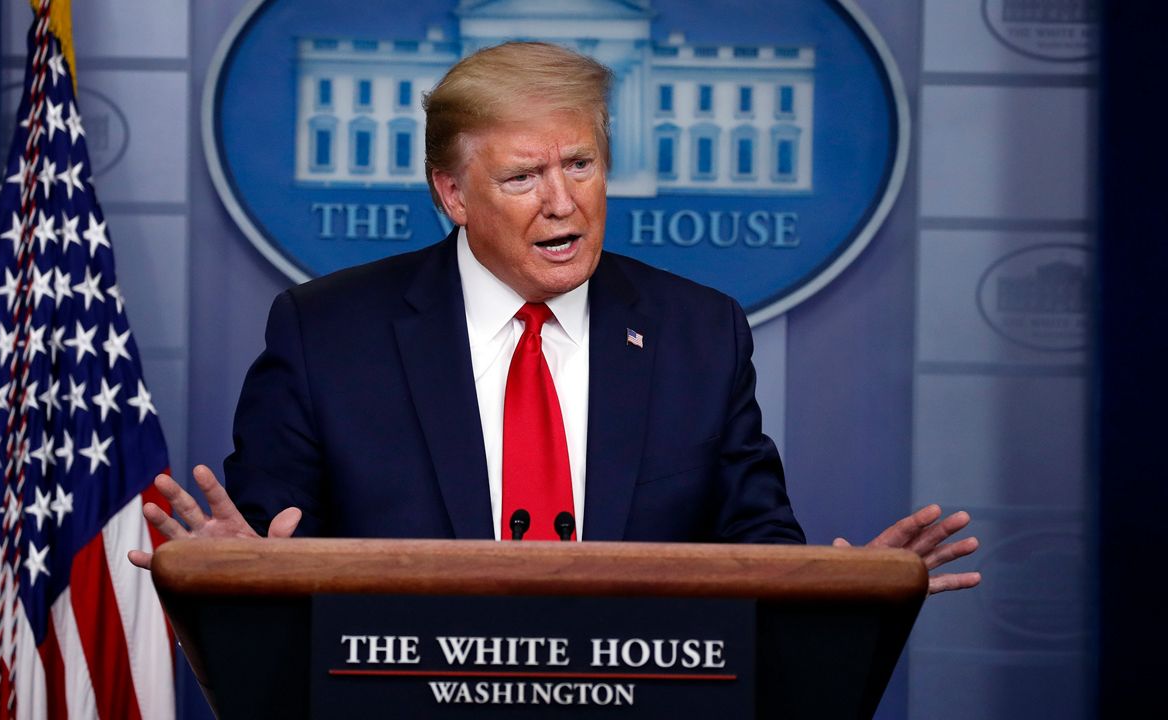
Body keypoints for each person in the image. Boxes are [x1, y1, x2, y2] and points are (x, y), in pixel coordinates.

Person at [129, 42, 979, 594]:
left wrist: (838, 593)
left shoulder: (698, 333)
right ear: (452, 195)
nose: (563, 201)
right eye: (523, 177)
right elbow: (269, 545)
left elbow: (754, 546)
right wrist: (235, 568)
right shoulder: (326, 334)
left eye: (582, 163)